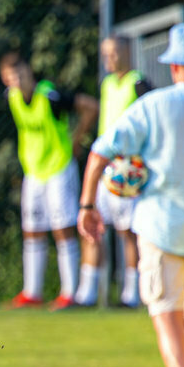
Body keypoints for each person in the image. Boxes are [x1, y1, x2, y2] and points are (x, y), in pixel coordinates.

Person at [78, 22, 184, 367]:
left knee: (166, 313)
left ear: (174, 66)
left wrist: (87, 206)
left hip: (162, 226)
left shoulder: (154, 104)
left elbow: (100, 151)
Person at [0, 52, 99, 311]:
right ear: (5, 80)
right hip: (33, 172)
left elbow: (90, 106)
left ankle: (69, 293)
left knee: (62, 228)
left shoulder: (50, 96)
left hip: (58, 168)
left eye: (20, 74)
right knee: (31, 230)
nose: (18, 81)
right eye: (11, 78)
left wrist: (77, 139)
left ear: (29, 72)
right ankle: (32, 291)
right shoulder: (11, 98)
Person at [73, 36, 151, 308]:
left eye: (115, 53)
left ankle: (132, 295)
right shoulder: (107, 84)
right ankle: (86, 294)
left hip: (127, 170)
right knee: (92, 227)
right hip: (104, 168)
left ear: (128, 52)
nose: (110, 59)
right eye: (106, 54)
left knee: (127, 233)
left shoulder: (139, 83)